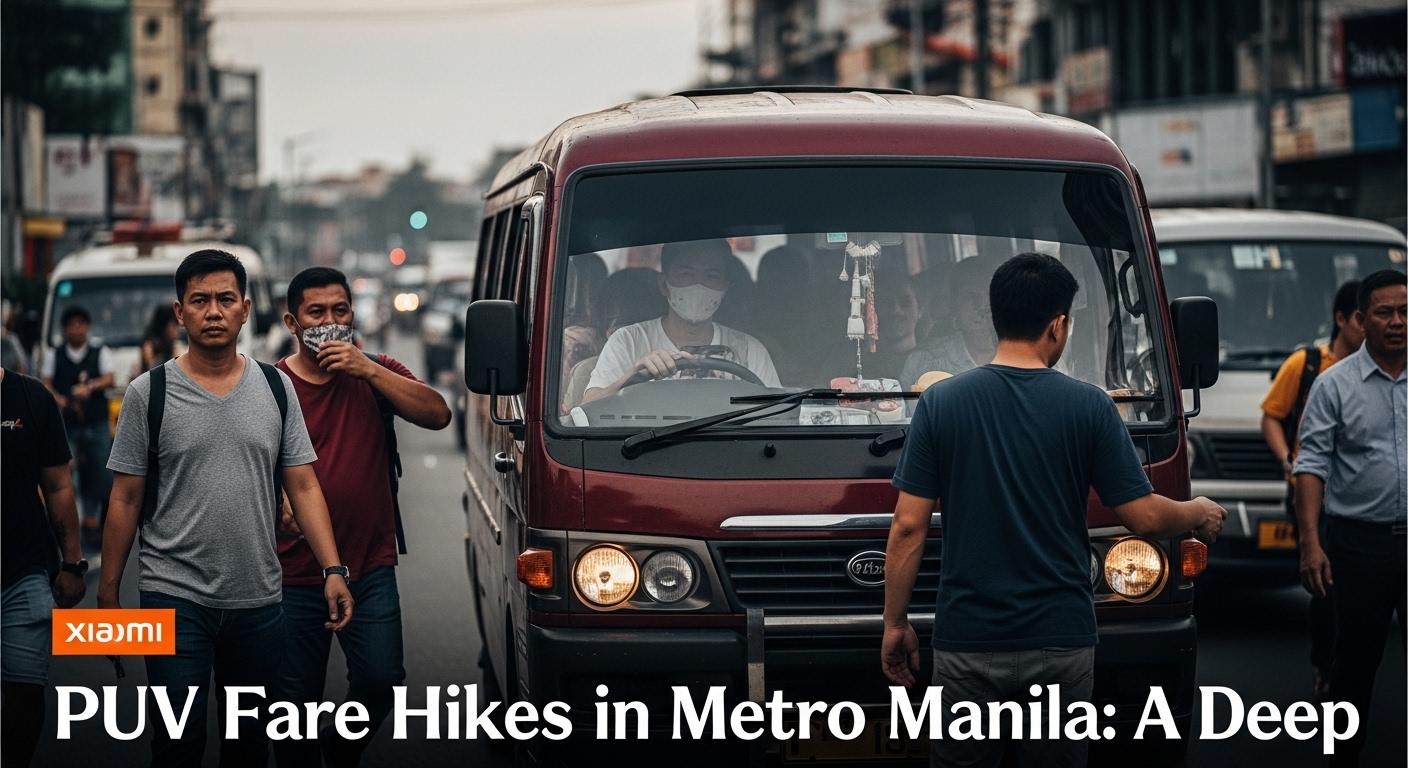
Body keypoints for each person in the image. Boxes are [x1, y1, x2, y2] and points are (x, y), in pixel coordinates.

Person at [880, 253, 1226, 768]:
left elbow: (908, 527)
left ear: (997, 316)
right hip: (1060, 639)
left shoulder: (942, 404)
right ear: (1059, 324)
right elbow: (1144, 517)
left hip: (969, 639)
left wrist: (895, 623)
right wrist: (1197, 510)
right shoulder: (1089, 406)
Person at [99, 250, 355, 768]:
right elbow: (125, 498)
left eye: (223, 300)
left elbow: (303, 484)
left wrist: (333, 568)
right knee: (177, 744)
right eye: (199, 301)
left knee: (248, 747)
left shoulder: (276, 387)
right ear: (179, 313)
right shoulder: (148, 393)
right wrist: (107, 596)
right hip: (173, 597)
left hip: (259, 600)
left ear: (244, 309)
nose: (212, 312)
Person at [274, 266, 451, 766]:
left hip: (369, 566)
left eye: (340, 311)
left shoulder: (376, 369)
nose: (330, 322)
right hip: (291, 573)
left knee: (380, 682)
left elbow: (438, 413)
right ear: (293, 322)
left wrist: (369, 371)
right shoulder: (270, 386)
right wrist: (275, 500)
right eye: (316, 313)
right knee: (292, 711)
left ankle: (341, 740)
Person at [1293, 269, 1406, 768]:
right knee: (1356, 663)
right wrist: (1310, 543)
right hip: (1359, 546)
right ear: (1360, 319)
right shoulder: (1333, 385)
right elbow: (1311, 464)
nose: (1398, 322)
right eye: (1385, 312)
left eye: (1405, 312)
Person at [1260, 279, 1362, 698]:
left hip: (1363, 503)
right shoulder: (1306, 366)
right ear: (1341, 320)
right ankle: (1328, 665)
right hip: (1315, 493)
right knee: (1328, 589)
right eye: (1365, 317)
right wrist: (1290, 460)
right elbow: (1271, 415)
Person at [1, 367, 86, 767]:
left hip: (22, 572)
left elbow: (58, 486)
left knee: (26, 692)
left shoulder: (32, 399)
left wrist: (73, 563)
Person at [583, 239, 780, 402]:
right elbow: (587, 408)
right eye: (686, 274)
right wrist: (631, 377)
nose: (698, 284)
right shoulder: (628, 341)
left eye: (711, 275)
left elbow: (778, 414)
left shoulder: (749, 350)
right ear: (663, 284)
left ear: (724, 288)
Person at [41, 305, 114, 541]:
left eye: (80, 324)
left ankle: (91, 519)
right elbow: (46, 383)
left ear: (87, 327)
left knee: (98, 469)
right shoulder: (55, 354)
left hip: (96, 420)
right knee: (65, 471)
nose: (76, 329)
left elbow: (109, 378)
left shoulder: (99, 351)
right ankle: (66, 518)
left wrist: (90, 387)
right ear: (64, 329)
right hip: (67, 423)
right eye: (71, 324)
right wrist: (59, 399)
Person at [900, 257, 1000, 389]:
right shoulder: (924, 361)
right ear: (954, 304)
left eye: (990, 295)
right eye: (970, 296)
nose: (982, 306)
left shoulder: (1029, 357)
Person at [138, 304, 183, 374]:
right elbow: (151, 368)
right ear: (164, 325)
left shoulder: (173, 344)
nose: (177, 330)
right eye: (174, 326)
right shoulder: (150, 345)